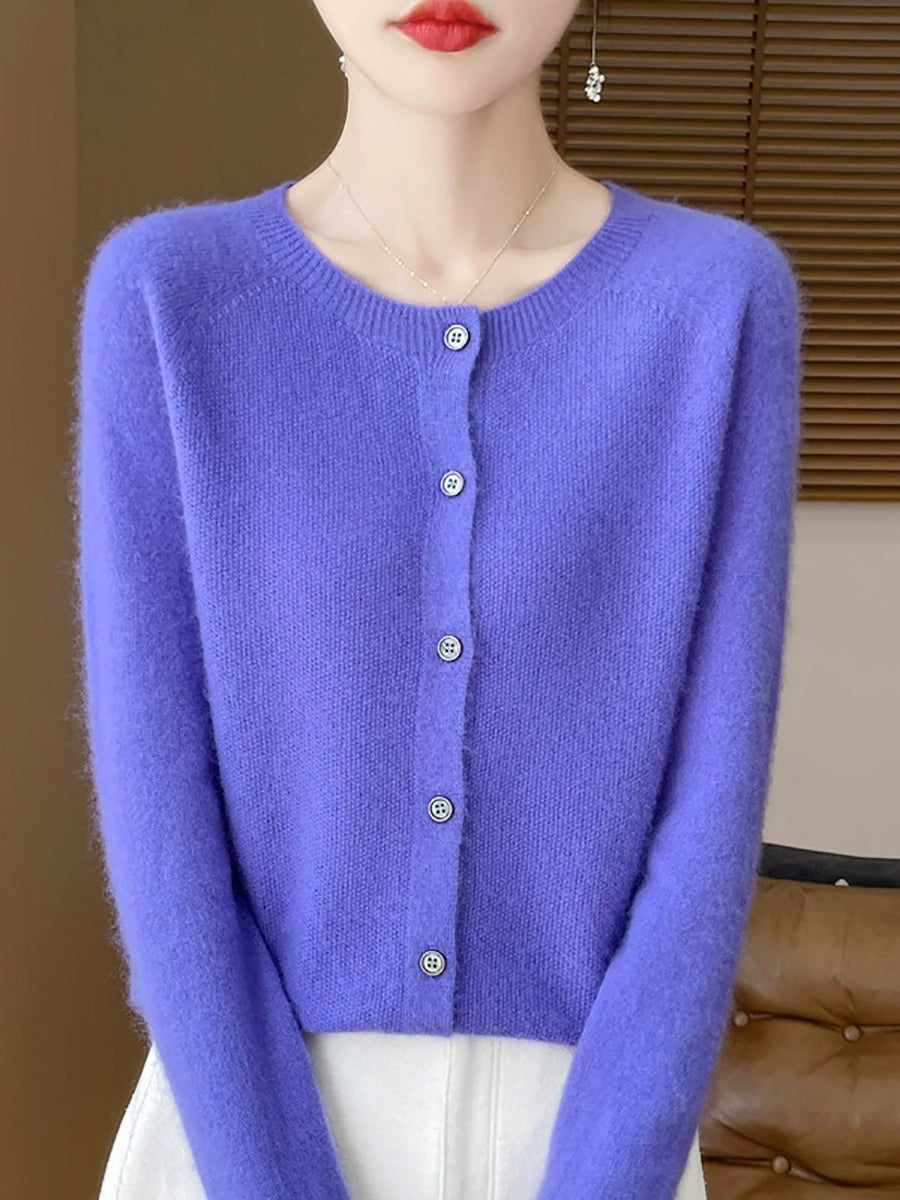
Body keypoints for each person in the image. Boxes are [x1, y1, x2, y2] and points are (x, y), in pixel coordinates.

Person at [73, 0, 804, 1197]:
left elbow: (711, 806)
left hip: (588, 1140)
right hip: (237, 1134)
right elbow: (159, 805)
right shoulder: (169, 296)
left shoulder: (715, 302)